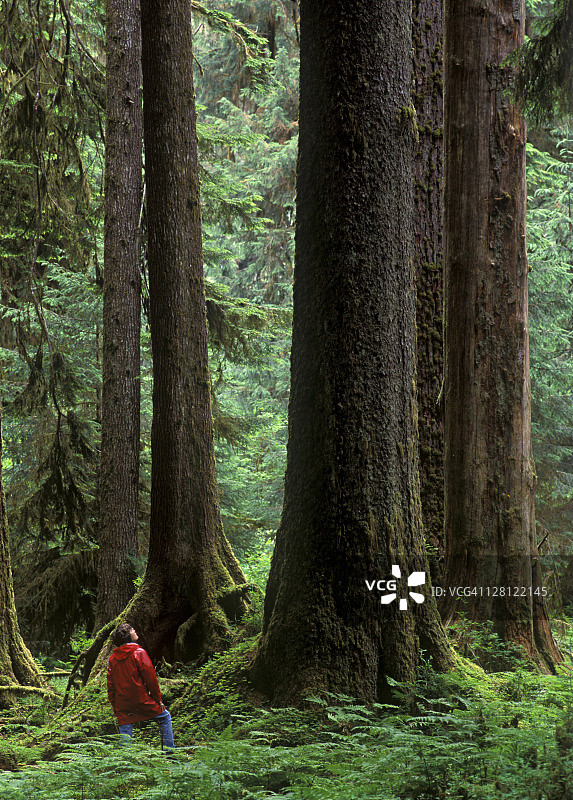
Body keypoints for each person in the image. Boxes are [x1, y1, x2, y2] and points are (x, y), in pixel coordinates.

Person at [107, 622, 175, 750]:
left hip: (122, 703)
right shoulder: (139, 652)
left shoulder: (112, 658)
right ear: (128, 636)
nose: (135, 630)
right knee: (165, 717)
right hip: (142, 700)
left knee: (125, 732)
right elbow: (151, 679)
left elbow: (110, 685)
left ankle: (126, 765)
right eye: (132, 629)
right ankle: (170, 753)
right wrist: (157, 699)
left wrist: (114, 705)